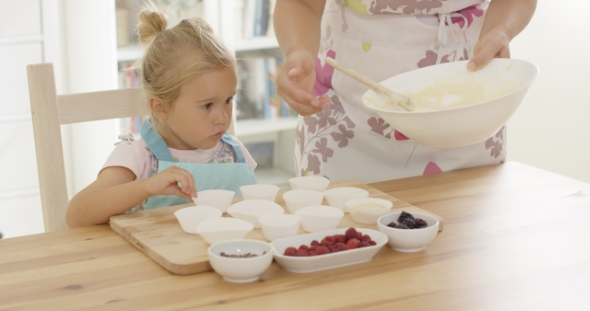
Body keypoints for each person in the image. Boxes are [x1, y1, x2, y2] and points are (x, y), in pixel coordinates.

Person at [274, 0, 536, 183]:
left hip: (469, 123)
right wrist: (298, 50)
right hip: (347, 128)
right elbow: (302, 2)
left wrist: (500, 30)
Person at [66, 5, 258, 228]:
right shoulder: (139, 157)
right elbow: (76, 214)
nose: (223, 118)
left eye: (228, 100)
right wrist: (147, 186)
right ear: (160, 108)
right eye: (207, 105)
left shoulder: (232, 151)